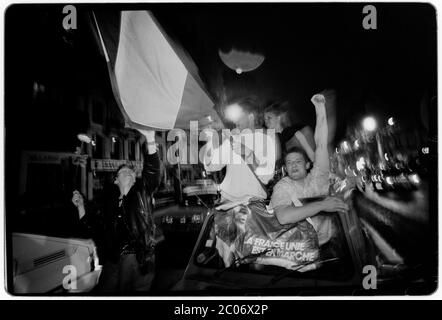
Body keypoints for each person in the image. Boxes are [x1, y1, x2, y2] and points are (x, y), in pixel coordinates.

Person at [72, 129, 160, 292]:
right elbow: (93, 225)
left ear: (135, 179)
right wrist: (81, 206)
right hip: (112, 260)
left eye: (131, 172)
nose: (129, 172)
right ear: (116, 180)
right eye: (123, 172)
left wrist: (150, 139)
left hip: (137, 257)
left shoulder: (141, 193)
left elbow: (153, 172)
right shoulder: (109, 204)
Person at [269, 93, 349, 246]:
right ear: (285, 168)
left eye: (298, 161)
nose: (293, 165)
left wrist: (320, 109)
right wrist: (322, 205)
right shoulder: (283, 186)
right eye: (289, 163)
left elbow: (321, 144)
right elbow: (284, 217)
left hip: (330, 247)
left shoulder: (318, 177)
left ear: (307, 165)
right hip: (299, 252)